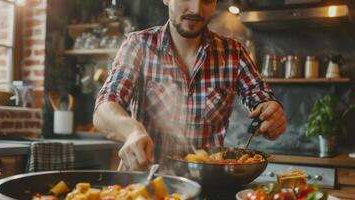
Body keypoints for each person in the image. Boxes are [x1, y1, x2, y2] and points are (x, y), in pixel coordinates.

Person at [93, 0, 287, 171]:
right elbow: (104, 109)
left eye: (207, 0)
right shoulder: (138, 45)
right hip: (146, 185)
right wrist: (132, 131)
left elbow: (262, 100)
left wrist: (272, 113)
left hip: (206, 187)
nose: (196, 8)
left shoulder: (233, 53)